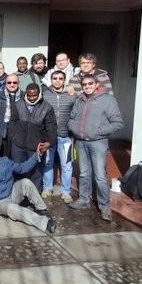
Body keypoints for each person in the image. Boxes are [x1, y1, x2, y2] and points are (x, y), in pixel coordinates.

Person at [68, 74, 124, 221]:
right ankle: (84, 199)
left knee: (99, 175)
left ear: (96, 83)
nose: (87, 86)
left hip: (98, 142)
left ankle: (104, 206)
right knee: (84, 173)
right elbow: (72, 118)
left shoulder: (107, 100)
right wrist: (74, 130)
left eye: (90, 83)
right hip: (81, 141)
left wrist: (97, 132)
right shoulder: (80, 100)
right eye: (84, 84)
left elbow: (118, 123)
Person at [0, 144, 55, 233]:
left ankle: (42, 210)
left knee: (25, 182)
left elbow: (22, 168)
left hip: (12, 194)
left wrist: (37, 155)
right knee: (11, 208)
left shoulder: (5, 161)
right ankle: (44, 223)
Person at [9, 83, 57, 191]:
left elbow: (52, 127)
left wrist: (50, 142)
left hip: (36, 145)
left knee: (36, 171)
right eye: (29, 95)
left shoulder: (47, 108)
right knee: (17, 170)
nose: (31, 98)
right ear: (26, 93)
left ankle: (35, 197)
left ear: (39, 94)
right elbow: (13, 122)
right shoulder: (17, 105)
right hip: (18, 145)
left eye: (34, 95)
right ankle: (18, 195)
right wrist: (13, 138)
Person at [42, 71, 77, 203]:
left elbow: (76, 114)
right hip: (49, 138)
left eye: (60, 78)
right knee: (48, 163)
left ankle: (66, 192)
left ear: (64, 80)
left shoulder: (71, 95)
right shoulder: (45, 95)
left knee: (67, 165)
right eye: (55, 78)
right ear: (51, 80)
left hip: (65, 137)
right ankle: (47, 188)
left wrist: (72, 131)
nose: (57, 81)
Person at [0, 74, 23, 157]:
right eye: (9, 82)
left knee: (17, 157)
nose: (12, 85)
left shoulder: (24, 96)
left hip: (19, 130)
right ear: (6, 83)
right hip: (3, 130)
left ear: (18, 83)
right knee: (4, 156)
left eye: (15, 82)